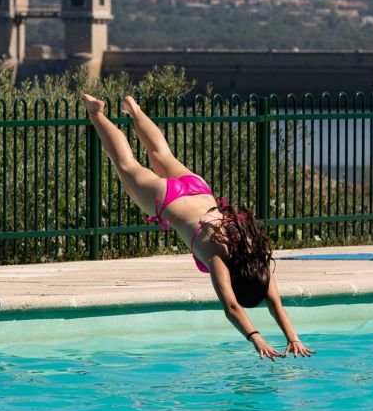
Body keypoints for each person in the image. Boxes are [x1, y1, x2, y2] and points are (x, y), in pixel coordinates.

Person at [82, 93, 314, 361]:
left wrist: (292, 337)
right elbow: (231, 306)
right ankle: (96, 112)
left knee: (161, 152)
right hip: (167, 197)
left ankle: (133, 109)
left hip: (199, 190)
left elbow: (274, 301)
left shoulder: (255, 256)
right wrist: (256, 338)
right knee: (126, 164)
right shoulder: (218, 258)